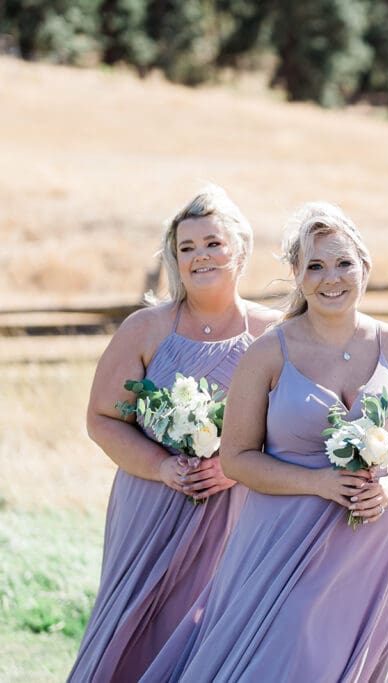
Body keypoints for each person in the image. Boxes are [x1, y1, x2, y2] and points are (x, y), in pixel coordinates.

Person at [140, 201, 388, 682]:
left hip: (374, 543)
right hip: (286, 539)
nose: (332, 277)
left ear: (364, 266)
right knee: (284, 660)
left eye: (344, 262)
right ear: (297, 274)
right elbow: (237, 459)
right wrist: (319, 482)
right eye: (315, 266)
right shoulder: (268, 352)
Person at [69, 186, 280, 682]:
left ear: (241, 249)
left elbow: (292, 427)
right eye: (186, 248)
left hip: (238, 508)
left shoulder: (275, 334)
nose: (200, 256)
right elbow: (102, 417)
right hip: (150, 504)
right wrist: (164, 467)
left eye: (213, 243)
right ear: (174, 259)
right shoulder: (146, 329)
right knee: (136, 622)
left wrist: (235, 468)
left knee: (215, 628)